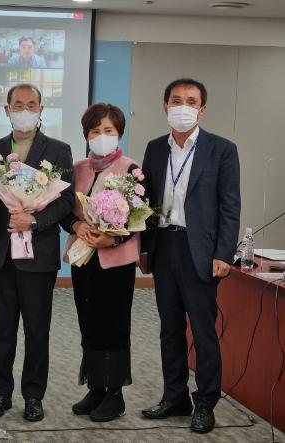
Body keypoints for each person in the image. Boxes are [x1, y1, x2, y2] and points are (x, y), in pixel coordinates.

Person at [140, 79, 240, 433]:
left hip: (201, 250)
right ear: (165, 106)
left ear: (202, 110)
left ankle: (206, 402)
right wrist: (144, 248)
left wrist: (224, 253)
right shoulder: (155, 148)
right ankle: (175, 396)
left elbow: (230, 206)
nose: (183, 106)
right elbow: (145, 203)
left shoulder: (222, 150)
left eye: (191, 101)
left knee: (202, 330)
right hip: (164, 246)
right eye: (176, 100)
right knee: (169, 329)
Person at [0, 84, 73, 421]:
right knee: (2, 330)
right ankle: (0, 394)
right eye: (18, 105)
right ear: (7, 110)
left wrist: (33, 221)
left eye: (31, 104)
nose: (24, 110)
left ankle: (33, 396)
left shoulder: (58, 150)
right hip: (2, 255)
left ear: (41, 109)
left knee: (37, 329)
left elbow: (65, 201)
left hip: (39, 256)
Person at [61, 103, 140, 422]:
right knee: (89, 322)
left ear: (119, 133)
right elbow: (65, 211)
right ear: (86, 135)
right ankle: (96, 386)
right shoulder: (77, 168)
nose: (102, 136)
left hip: (116, 262)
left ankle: (115, 394)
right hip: (84, 259)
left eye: (108, 130)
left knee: (114, 324)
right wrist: (76, 224)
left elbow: (140, 217)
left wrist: (113, 239)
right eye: (95, 131)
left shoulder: (131, 169)